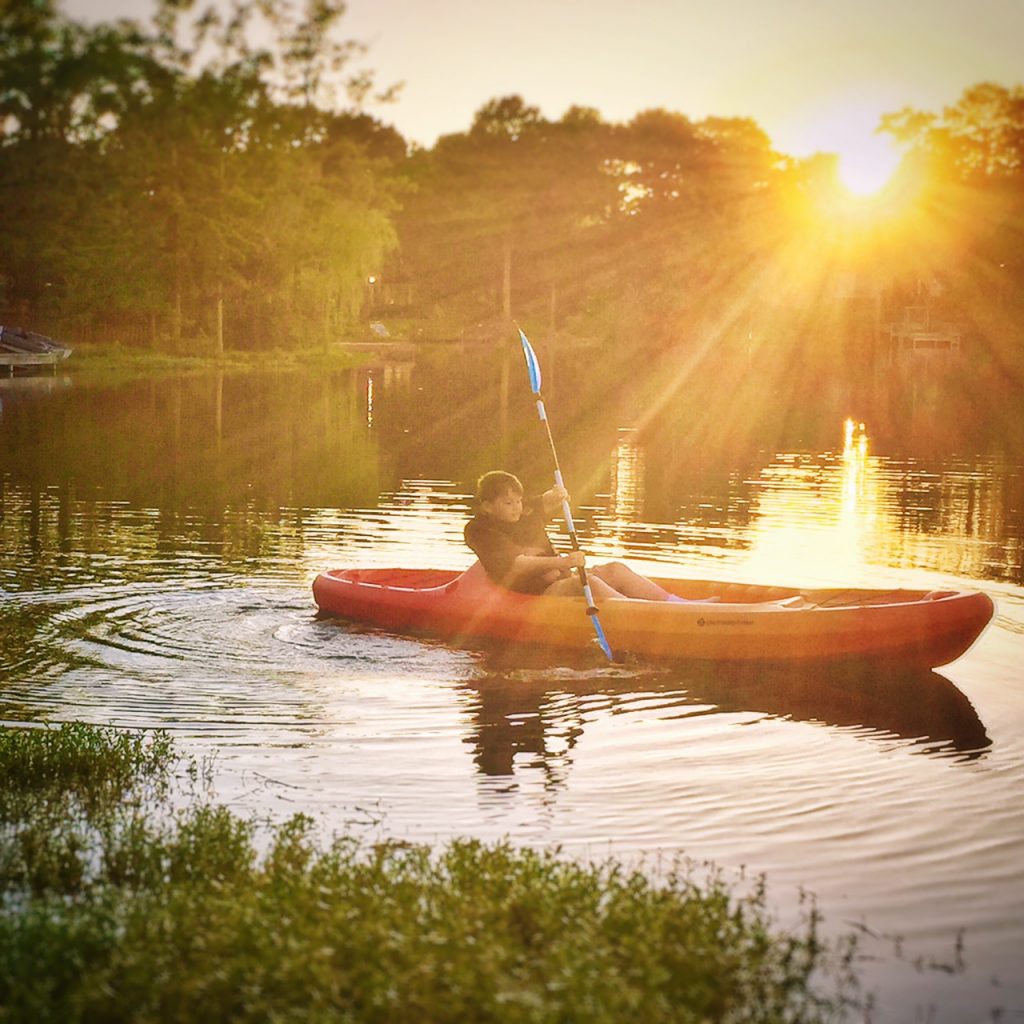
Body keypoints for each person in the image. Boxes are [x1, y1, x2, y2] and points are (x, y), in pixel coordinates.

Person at [464, 470, 684, 601]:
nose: (516, 508)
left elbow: (542, 502)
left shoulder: (520, 512)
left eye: (518, 501)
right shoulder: (479, 531)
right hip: (533, 594)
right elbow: (517, 565)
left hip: (558, 578)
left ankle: (677, 604)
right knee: (589, 583)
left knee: (615, 569)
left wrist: (556, 495)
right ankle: (646, 616)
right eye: (508, 503)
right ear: (487, 506)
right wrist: (565, 561)